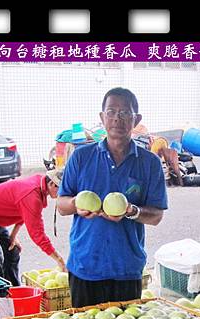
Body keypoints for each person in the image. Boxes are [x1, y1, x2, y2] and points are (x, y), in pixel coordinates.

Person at [57, 87, 168, 307]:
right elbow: (61, 205)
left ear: (136, 119)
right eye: (111, 112)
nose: (117, 118)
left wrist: (131, 211)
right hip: (86, 265)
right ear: (101, 117)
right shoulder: (81, 157)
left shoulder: (149, 163)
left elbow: (156, 216)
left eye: (125, 113)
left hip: (127, 268)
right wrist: (76, 205)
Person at [0, 170, 66, 286]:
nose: (63, 194)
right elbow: (37, 234)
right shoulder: (32, 194)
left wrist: (13, 236)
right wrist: (59, 260)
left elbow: (23, 211)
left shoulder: (39, 185)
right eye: (62, 190)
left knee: (12, 251)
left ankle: (13, 290)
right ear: (52, 184)